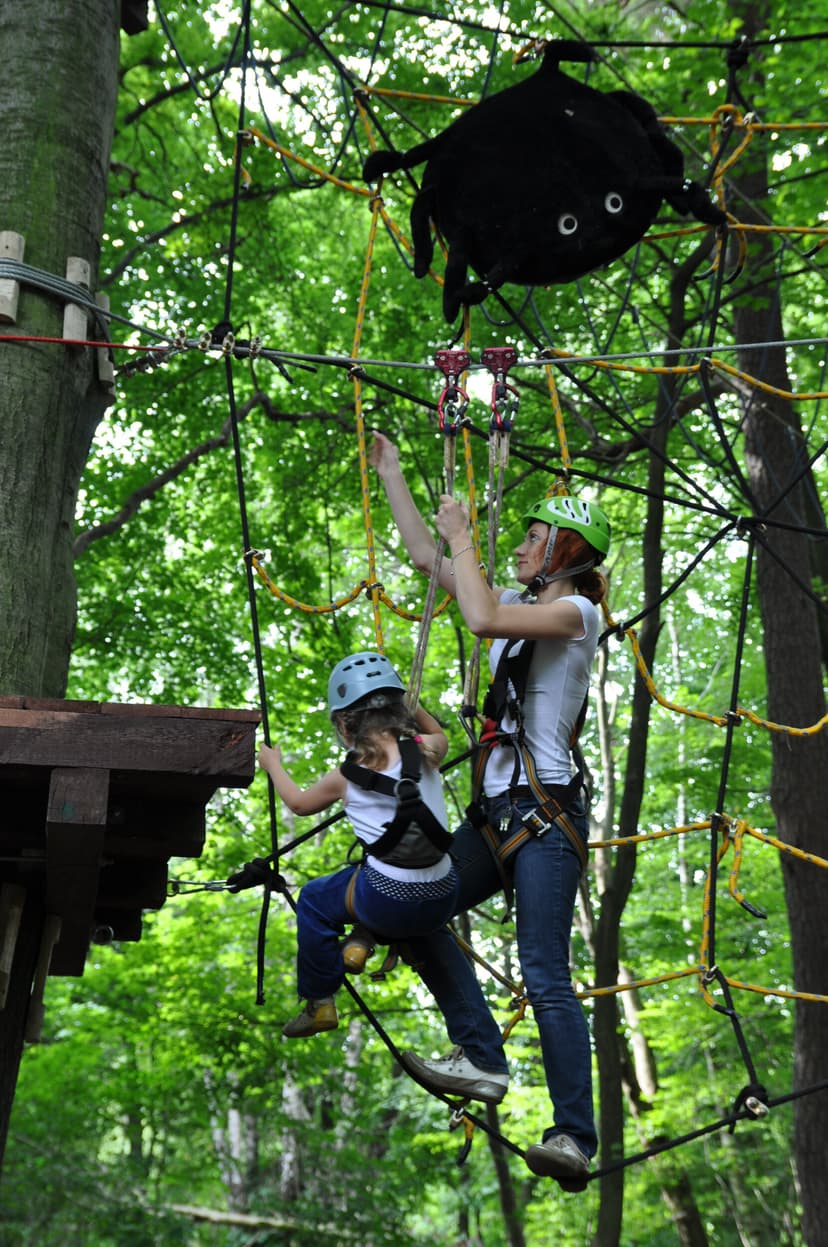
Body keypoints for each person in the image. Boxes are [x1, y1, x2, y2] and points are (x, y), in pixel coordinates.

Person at [369, 432, 610, 1191]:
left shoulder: (577, 613)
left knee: (544, 971)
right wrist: (394, 477)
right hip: (496, 816)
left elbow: (476, 617)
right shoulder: (514, 598)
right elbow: (428, 563)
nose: (522, 549)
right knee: (407, 905)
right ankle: (481, 1057)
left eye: (534, 538)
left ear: (566, 549)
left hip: (545, 819)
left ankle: (574, 1135)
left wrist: (466, 536)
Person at [258, 650, 459, 1040]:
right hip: (443, 897)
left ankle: (320, 1002)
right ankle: (361, 940)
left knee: (318, 899)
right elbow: (439, 732)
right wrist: (411, 708)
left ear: (346, 727)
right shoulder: (429, 750)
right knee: (367, 874)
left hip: (386, 899)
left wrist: (273, 766)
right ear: (400, 710)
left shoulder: (345, 777)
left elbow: (299, 805)